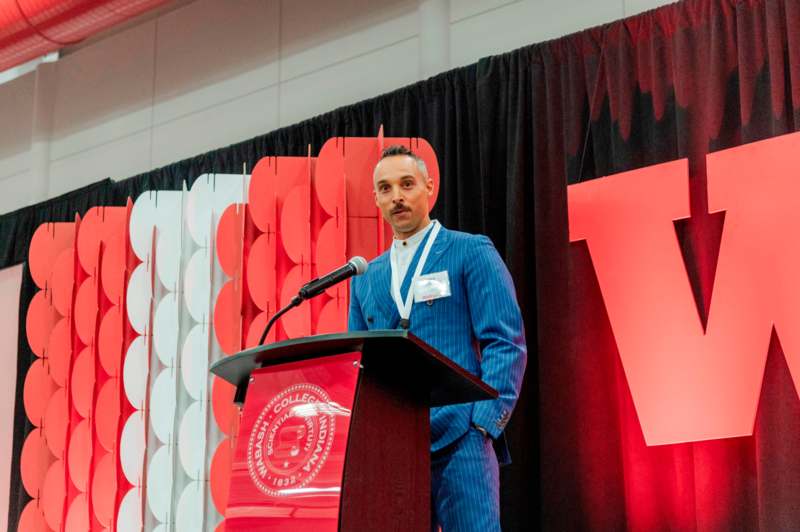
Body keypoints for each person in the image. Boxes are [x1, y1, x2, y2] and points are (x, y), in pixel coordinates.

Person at [348, 144, 527, 531]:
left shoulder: (469, 252)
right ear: (375, 198)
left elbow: (505, 342)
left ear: (429, 187)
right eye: (385, 188)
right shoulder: (366, 278)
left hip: (463, 438)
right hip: (395, 449)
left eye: (407, 184)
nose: (396, 196)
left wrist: (483, 424)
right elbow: (358, 369)